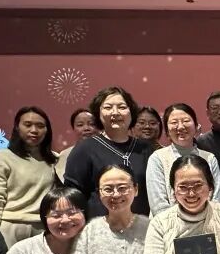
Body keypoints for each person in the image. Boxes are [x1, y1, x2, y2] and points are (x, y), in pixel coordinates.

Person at [63, 86, 157, 218]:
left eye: (122, 107)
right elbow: (72, 196)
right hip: (99, 226)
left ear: (131, 112)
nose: (115, 112)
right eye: (108, 107)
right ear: (98, 113)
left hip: (142, 225)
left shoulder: (145, 149)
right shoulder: (84, 149)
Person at [0, 106, 59, 247]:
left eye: (40, 126)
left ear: (47, 130)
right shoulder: (2, 158)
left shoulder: (55, 160)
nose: (34, 130)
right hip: (10, 227)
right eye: (27, 125)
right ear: (17, 128)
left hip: (43, 227)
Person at [145, 103, 220, 215]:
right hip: (167, 224)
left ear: (196, 126)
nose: (180, 127)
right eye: (174, 122)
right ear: (167, 130)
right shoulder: (157, 158)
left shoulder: (210, 158)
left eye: (186, 121)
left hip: (207, 224)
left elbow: (216, 202)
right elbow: (159, 207)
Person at [55, 108, 97, 181]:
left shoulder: (107, 151)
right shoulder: (65, 155)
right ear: (73, 128)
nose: (86, 128)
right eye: (80, 125)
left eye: (92, 124)